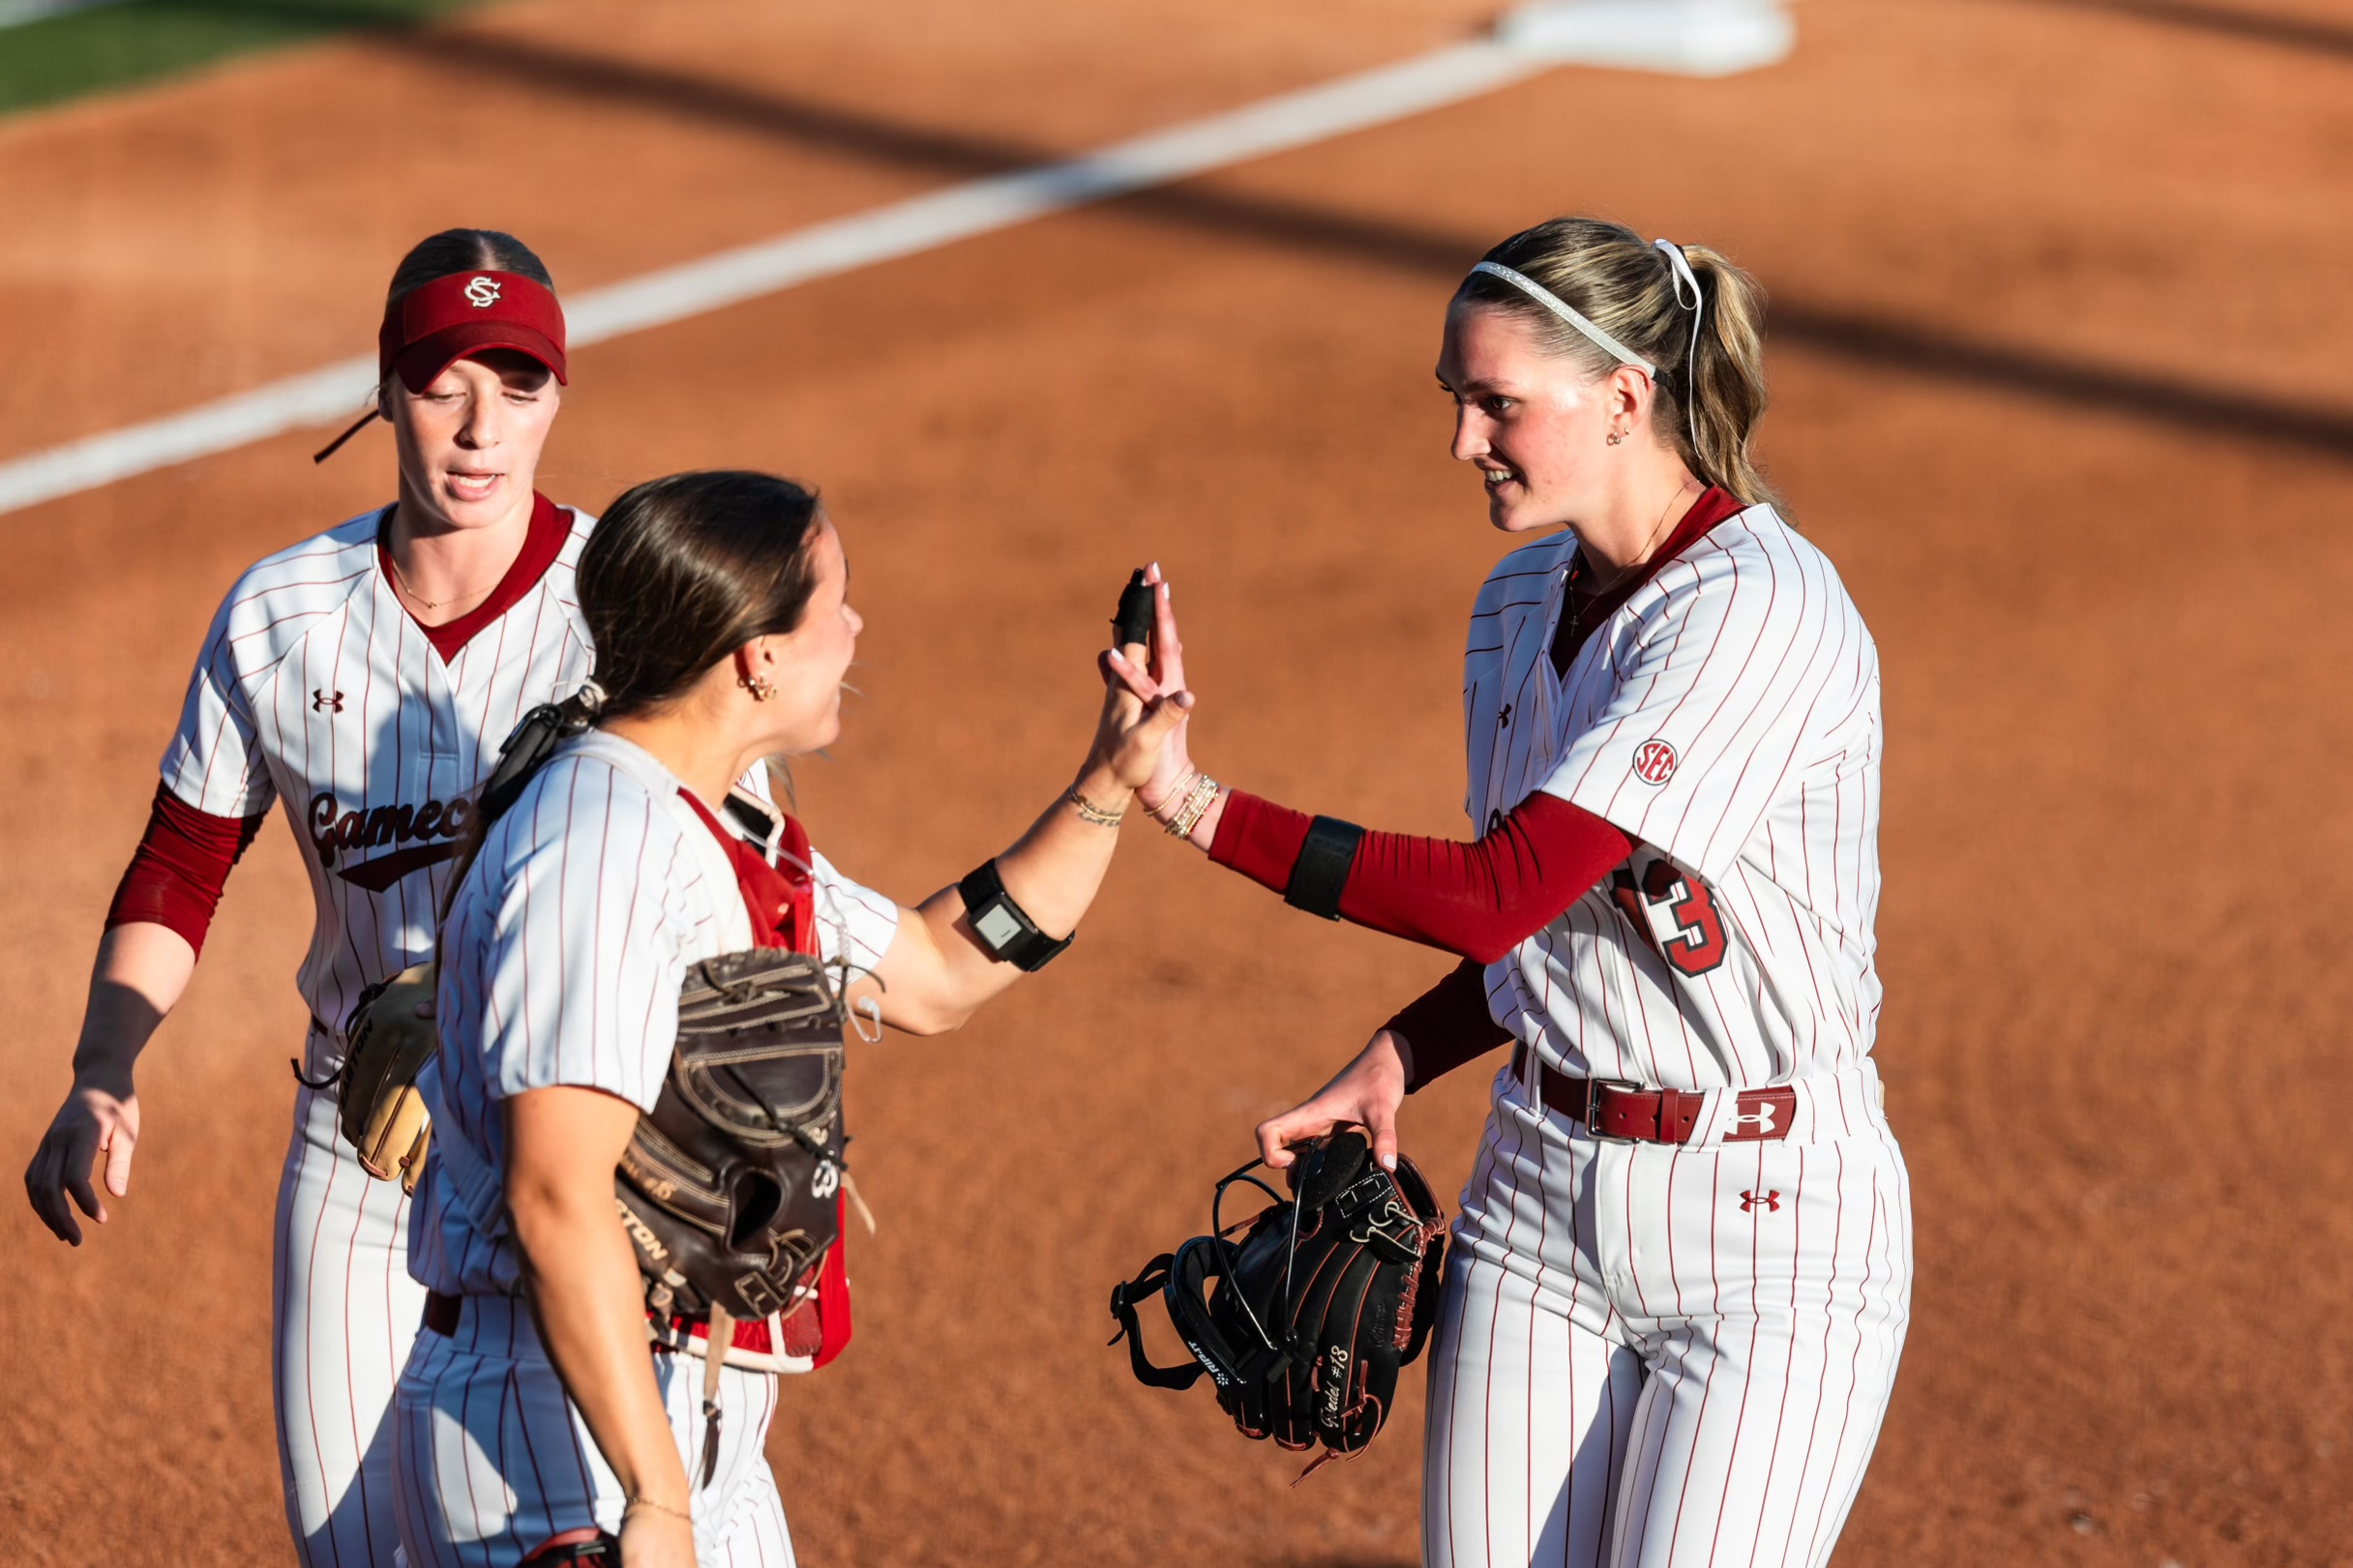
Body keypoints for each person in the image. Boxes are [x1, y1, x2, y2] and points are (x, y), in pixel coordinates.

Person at [1111, 217, 1910, 1568]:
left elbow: (1498, 891)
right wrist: (1406, 1050)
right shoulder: (1515, 602)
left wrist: (1196, 805)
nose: (1464, 442)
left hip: (1770, 1225)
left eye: (1497, 404)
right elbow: (1557, 921)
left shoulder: (1759, 612)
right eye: (1457, 402)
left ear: (1623, 396)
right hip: (1538, 1193)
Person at [396, 469, 1186, 1568]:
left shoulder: (715, 817)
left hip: (677, 1423)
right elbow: (552, 1191)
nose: (856, 628)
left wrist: (1111, 775)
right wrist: (655, 1499)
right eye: (834, 602)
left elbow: (931, 971)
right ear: (755, 654)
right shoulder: (602, 845)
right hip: (557, 1441)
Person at [22, 227, 607, 1566]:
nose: (480, 427)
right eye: (443, 381)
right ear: (387, 387)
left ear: (558, 399)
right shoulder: (280, 616)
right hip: (363, 1153)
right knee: (354, 1549)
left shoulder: (622, 605)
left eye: (518, 386)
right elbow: (183, 858)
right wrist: (104, 1065)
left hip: (568, 1146)